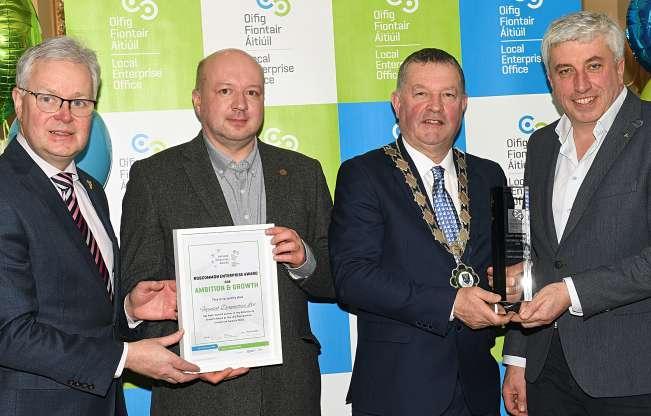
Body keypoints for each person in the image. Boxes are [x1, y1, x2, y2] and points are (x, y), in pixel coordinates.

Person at [120, 48, 335, 416]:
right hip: (196, 391)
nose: (240, 104)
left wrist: (305, 260)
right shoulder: (154, 177)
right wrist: (170, 347)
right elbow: (139, 289)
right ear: (198, 101)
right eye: (225, 91)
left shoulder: (304, 173)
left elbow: (338, 280)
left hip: (289, 389)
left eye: (252, 92)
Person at [0, 36, 202, 416]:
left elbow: (84, 313)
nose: (65, 115)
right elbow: (9, 333)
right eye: (48, 98)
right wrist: (125, 357)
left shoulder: (90, 191)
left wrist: (128, 309)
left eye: (79, 102)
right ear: (19, 102)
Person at [329, 48, 513, 416]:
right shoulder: (363, 175)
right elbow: (352, 277)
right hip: (397, 390)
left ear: (463, 104)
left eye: (448, 95)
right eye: (421, 93)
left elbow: (508, 265)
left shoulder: (490, 175)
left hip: (477, 387)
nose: (435, 107)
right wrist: (451, 304)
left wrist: (511, 284)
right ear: (397, 103)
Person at [502, 11, 651, 416]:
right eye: (565, 70)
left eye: (594, 66)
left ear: (619, 68)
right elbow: (537, 253)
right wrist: (517, 358)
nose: (580, 85)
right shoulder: (540, 145)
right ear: (550, 79)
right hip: (547, 370)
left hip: (633, 376)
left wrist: (571, 292)